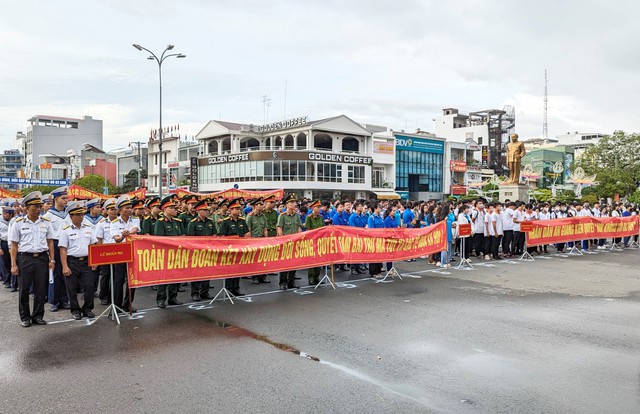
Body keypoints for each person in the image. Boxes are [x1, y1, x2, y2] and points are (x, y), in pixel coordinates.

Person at [9, 192, 55, 327]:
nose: (38, 209)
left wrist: (52, 260)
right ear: (27, 208)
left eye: (39, 206)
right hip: (25, 258)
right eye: (34, 206)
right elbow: (14, 245)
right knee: (24, 289)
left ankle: (38, 315)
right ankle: (25, 317)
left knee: (41, 288)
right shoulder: (18, 223)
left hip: (41, 258)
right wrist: (13, 264)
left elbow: (50, 242)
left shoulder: (46, 222)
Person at [58, 201, 99, 320]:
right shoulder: (65, 230)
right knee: (72, 287)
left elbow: (93, 246)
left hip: (86, 261)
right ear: (71, 217)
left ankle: (87, 308)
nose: (81, 217)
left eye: (82, 214)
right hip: (72, 261)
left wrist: (94, 261)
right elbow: (63, 250)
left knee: (89, 286)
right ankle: (75, 309)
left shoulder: (88, 229)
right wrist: (65, 266)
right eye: (78, 215)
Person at [111, 195, 141, 313]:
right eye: (126, 208)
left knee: (132, 280)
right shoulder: (114, 223)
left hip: (133, 252)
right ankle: (117, 305)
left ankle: (128, 304)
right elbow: (116, 239)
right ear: (120, 210)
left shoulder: (135, 219)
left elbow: (135, 230)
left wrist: (128, 233)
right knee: (119, 280)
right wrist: (122, 235)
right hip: (120, 252)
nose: (129, 210)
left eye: (130, 207)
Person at [42, 186, 70, 312]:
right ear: (56, 199)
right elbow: (48, 236)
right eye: (63, 198)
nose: (66, 201)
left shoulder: (68, 214)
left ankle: (65, 299)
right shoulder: (48, 215)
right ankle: (55, 301)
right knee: (56, 274)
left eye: (66, 198)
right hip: (55, 244)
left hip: (67, 245)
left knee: (66, 274)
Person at [154, 195, 183, 308]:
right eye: (171, 208)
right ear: (165, 209)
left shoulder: (177, 222)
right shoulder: (160, 222)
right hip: (165, 253)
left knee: (175, 276)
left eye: (175, 208)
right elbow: (159, 240)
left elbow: (181, 235)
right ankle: (161, 299)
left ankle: (173, 297)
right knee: (164, 277)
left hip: (176, 253)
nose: (174, 210)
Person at [218, 198, 250, 296]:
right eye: (235, 209)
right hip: (229, 249)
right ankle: (228, 288)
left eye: (238, 208)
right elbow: (222, 236)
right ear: (230, 210)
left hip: (239, 248)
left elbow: (247, 233)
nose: (238, 210)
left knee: (238, 268)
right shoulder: (226, 221)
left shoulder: (242, 221)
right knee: (229, 269)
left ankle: (236, 288)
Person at [186, 199, 217, 301]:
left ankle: (205, 292)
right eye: (205, 210)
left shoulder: (210, 222)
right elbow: (190, 239)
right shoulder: (193, 223)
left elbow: (214, 235)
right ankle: (195, 293)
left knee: (207, 272)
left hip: (208, 250)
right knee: (196, 273)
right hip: (197, 252)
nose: (207, 212)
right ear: (199, 211)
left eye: (207, 210)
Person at [277, 194, 302, 290]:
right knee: (284, 264)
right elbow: (279, 228)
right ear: (286, 205)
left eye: (294, 202)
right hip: (286, 243)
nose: (293, 204)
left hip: (295, 242)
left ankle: (291, 281)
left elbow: (299, 227)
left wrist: (299, 238)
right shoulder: (282, 216)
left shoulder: (296, 216)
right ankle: (283, 282)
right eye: (291, 202)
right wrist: (282, 240)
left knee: (293, 263)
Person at [245, 197, 271, 285]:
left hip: (262, 239)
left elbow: (265, 229)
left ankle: (262, 276)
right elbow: (248, 229)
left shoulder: (263, 216)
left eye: (261, 204)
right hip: (254, 239)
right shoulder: (250, 216)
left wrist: (266, 239)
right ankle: (255, 277)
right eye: (259, 204)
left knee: (263, 258)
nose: (261, 206)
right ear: (255, 206)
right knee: (255, 259)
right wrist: (249, 241)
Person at [304, 200, 325, 285]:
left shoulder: (320, 217)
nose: (319, 209)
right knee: (312, 260)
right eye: (318, 207)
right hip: (312, 241)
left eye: (320, 207)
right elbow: (308, 231)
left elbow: (323, 229)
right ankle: (311, 278)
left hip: (319, 241)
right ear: (313, 208)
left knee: (319, 260)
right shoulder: (309, 218)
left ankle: (317, 277)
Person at [367, 202, 384, 278]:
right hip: (374, 239)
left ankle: (378, 271)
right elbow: (371, 230)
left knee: (379, 256)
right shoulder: (371, 218)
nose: (380, 209)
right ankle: (373, 272)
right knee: (374, 256)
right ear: (375, 208)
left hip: (380, 239)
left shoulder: (380, 217)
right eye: (379, 207)